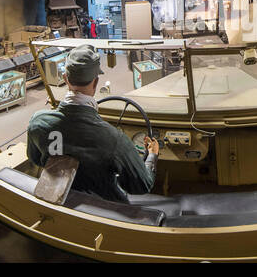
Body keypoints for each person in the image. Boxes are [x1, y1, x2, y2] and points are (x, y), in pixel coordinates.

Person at [26, 45, 159, 203]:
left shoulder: (38, 122)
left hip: (60, 204)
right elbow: (142, 185)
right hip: (105, 211)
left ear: (65, 78)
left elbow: (35, 158)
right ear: (96, 82)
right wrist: (152, 155)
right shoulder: (114, 139)